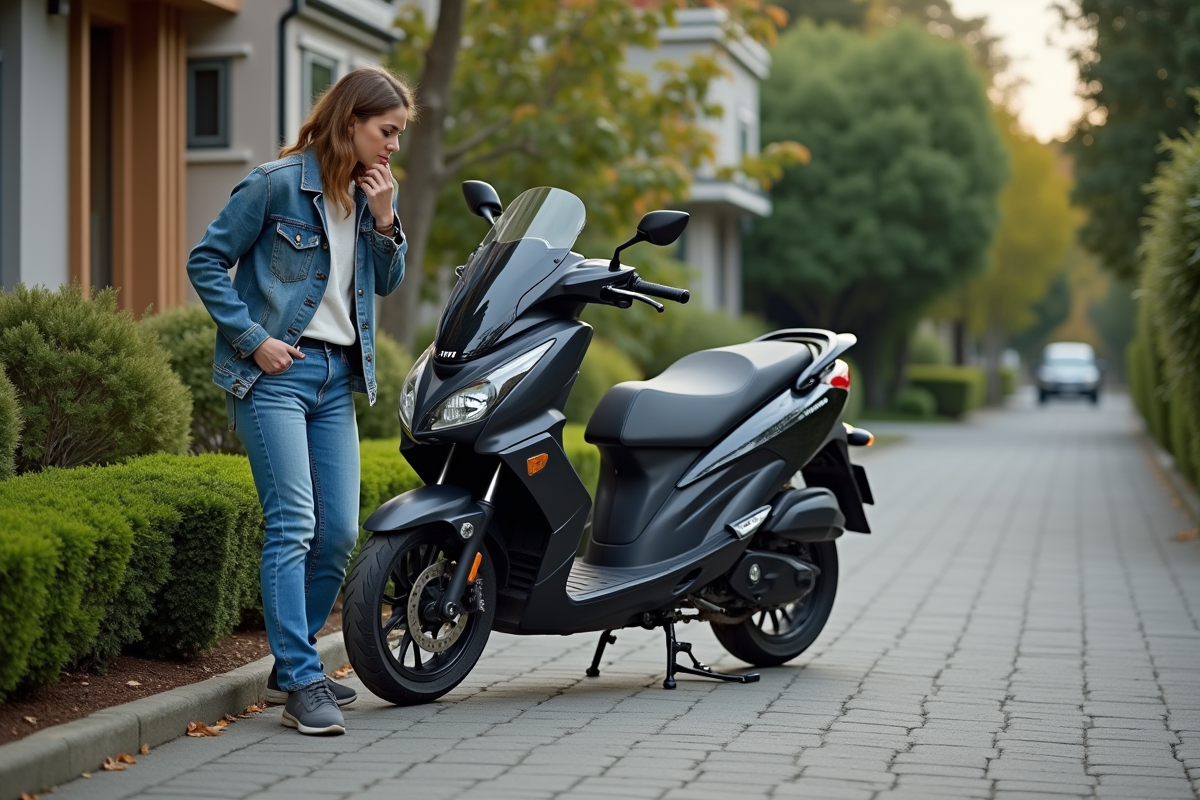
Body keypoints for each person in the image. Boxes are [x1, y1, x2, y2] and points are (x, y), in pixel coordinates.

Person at [187, 66, 415, 736]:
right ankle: (303, 675)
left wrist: (385, 217)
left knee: (339, 532)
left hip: (335, 381)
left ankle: (293, 667)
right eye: (387, 130)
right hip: (275, 377)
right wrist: (253, 339)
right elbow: (207, 259)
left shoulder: (369, 193)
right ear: (350, 121)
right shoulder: (275, 185)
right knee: (293, 524)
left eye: (399, 134)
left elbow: (389, 282)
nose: (393, 145)